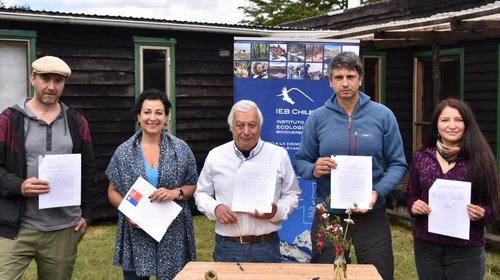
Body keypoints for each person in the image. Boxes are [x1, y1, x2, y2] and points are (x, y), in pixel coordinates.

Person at [294, 51, 407, 280]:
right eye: (338, 77)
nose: (345, 83)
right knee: (327, 274)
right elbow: (301, 162)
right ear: (330, 81)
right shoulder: (317, 118)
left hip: (371, 212)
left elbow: (397, 163)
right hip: (329, 215)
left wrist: (378, 191)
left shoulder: (383, 115)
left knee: (380, 273)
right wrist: (314, 169)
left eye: (350, 76)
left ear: (360, 79)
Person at [0, 55, 98, 279]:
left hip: (63, 228)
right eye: (46, 79)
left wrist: (88, 215)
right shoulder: (8, 120)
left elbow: (88, 172)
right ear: (33, 78)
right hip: (17, 226)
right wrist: (19, 185)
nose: (51, 87)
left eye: (58, 81)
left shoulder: (76, 122)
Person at [106, 89, 198, 280]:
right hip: (136, 229)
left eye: (159, 112)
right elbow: (113, 191)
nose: (153, 118)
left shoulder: (181, 149)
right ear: (138, 116)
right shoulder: (123, 151)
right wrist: (131, 212)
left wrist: (175, 193)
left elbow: (192, 185)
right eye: (147, 112)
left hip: (173, 231)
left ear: (166, 117)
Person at [194, 99, 301, 263]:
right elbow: (201, 194)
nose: (246, 131)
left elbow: (292, 195)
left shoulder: (278, 155)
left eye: (252, 125)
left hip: (266, 246)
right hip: (227, 246)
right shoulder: (216, 156)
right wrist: (216, 208)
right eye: (239, 125)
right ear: (231, 127)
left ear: (260, 127)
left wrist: (275, 211)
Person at [406, 98, 500, 280]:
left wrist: (482, 213)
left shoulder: (480, 158)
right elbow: (412, 195)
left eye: (458, 120)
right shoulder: (422, 157)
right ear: (436, 125)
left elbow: (493, 206)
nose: (452, 126)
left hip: (466, 248)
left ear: (467, 124)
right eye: (445, 120)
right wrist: (414, 206)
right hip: (426, 245)